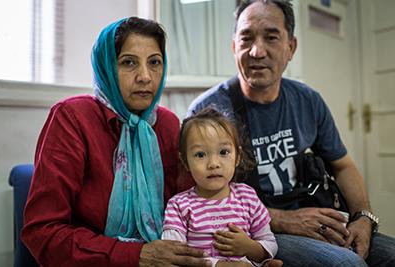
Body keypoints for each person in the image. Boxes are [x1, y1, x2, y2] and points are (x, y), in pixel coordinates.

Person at [187, 0, 395, 266]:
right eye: (246, 38)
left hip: (314, 218)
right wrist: (284, 219)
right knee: (346, 264)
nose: (257, 51)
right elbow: (199, 200)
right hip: (254, 231)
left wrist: (363, 217)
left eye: (271, 37)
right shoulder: (208, 110)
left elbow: (343, 166)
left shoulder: (308, 100)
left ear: (291, 47)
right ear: (233, 47)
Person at [21, 17, 212, 267]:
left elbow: (193, 208)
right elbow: (43, 232)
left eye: (154, 62)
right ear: (106, 68)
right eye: (129, 62)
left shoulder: (166, 124)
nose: (145, 77)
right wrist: (136, 255)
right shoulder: (72, 118)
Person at [162, 108, 281, 267]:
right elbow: (175, 254)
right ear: (185, 162)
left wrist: (251, 248)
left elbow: (269, 242)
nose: (213, 164)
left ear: (237, 157)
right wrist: (218, 265)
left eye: (223, 152)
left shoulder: (247, 196)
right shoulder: (179, 205)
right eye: (200, 155)